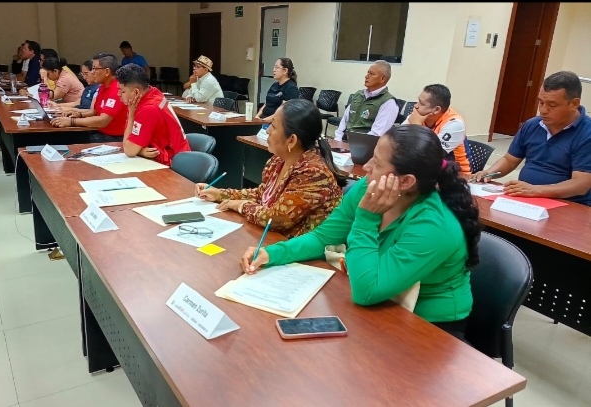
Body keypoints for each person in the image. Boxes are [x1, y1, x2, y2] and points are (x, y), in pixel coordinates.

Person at [241, 124, 481, 340]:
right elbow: (324, 238)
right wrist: (272, 253)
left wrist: (366, 218)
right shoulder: (368, 186)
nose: (366, 167)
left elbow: (367, 292)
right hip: (381, 303)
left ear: (406, 181)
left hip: (429, 326)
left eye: (377, 163)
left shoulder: (433, 225)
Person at [197, 99, 348, 238]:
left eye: (273, 126)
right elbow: (261, 195)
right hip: (274, 240)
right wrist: (220, 194)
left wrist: (242, 206)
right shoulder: (278, 160)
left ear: (292, 140)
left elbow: (277, 219)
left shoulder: (314, 173)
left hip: (301, 251)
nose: (267, 130)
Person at [473, 71, 591, 206]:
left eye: (552, 105)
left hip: (569, 204)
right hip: (527, 198)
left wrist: (535, 190)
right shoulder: (532, 125)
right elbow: (509, 160)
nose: (543, 110)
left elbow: (581, 184)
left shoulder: (587, 133)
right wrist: (489, 173)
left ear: (574, 104)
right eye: (541, 102)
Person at [115, 63, 191, 166]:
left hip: (173, 165)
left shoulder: (148, 109)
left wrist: (131, 115)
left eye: (122, 91)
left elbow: (129, 150)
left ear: (136, 92)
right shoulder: (152, 92)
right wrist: (139, 150)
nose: (118, 94)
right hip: (171, 157)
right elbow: (129, 144)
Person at [51, 53, 127, 142]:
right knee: (57, 136)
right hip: (98, 131)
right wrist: (78, 114)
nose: (92, 72)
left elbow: (103, 121)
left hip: (113, 138)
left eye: (95, 69)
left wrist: (71, 121)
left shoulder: (117, 89)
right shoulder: (102, 86)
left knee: (64, 140)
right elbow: (94, 112)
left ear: (107, 72)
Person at [403, 84, 471, 176]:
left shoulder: (455, 124)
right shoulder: (418, 115)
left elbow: (432, 156)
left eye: (421, 103)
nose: (416, 106)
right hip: (424, 169)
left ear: (436, 110)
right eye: (418, 101)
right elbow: (398, 141)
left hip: (455, 175)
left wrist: (417, 126)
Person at [334, 60, 397, 141]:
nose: (366, 76)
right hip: (345, 141)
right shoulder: (359, 95)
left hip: (364, 145)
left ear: (382, 78)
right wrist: (338, 139)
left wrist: (355, 145)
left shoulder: (388, 102)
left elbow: (376, 134)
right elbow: (345, 120)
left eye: (372, 74)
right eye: (368, 73)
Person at [255, 58, 299, 122]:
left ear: (285, 71)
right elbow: (266, 104)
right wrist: (257, 117)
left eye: (277, 68)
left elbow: (282, 113)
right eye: (274, 67)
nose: (273, 70)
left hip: (276, 122)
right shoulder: (274, 85)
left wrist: (263, 121)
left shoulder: (291, 88)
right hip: (264, 120)